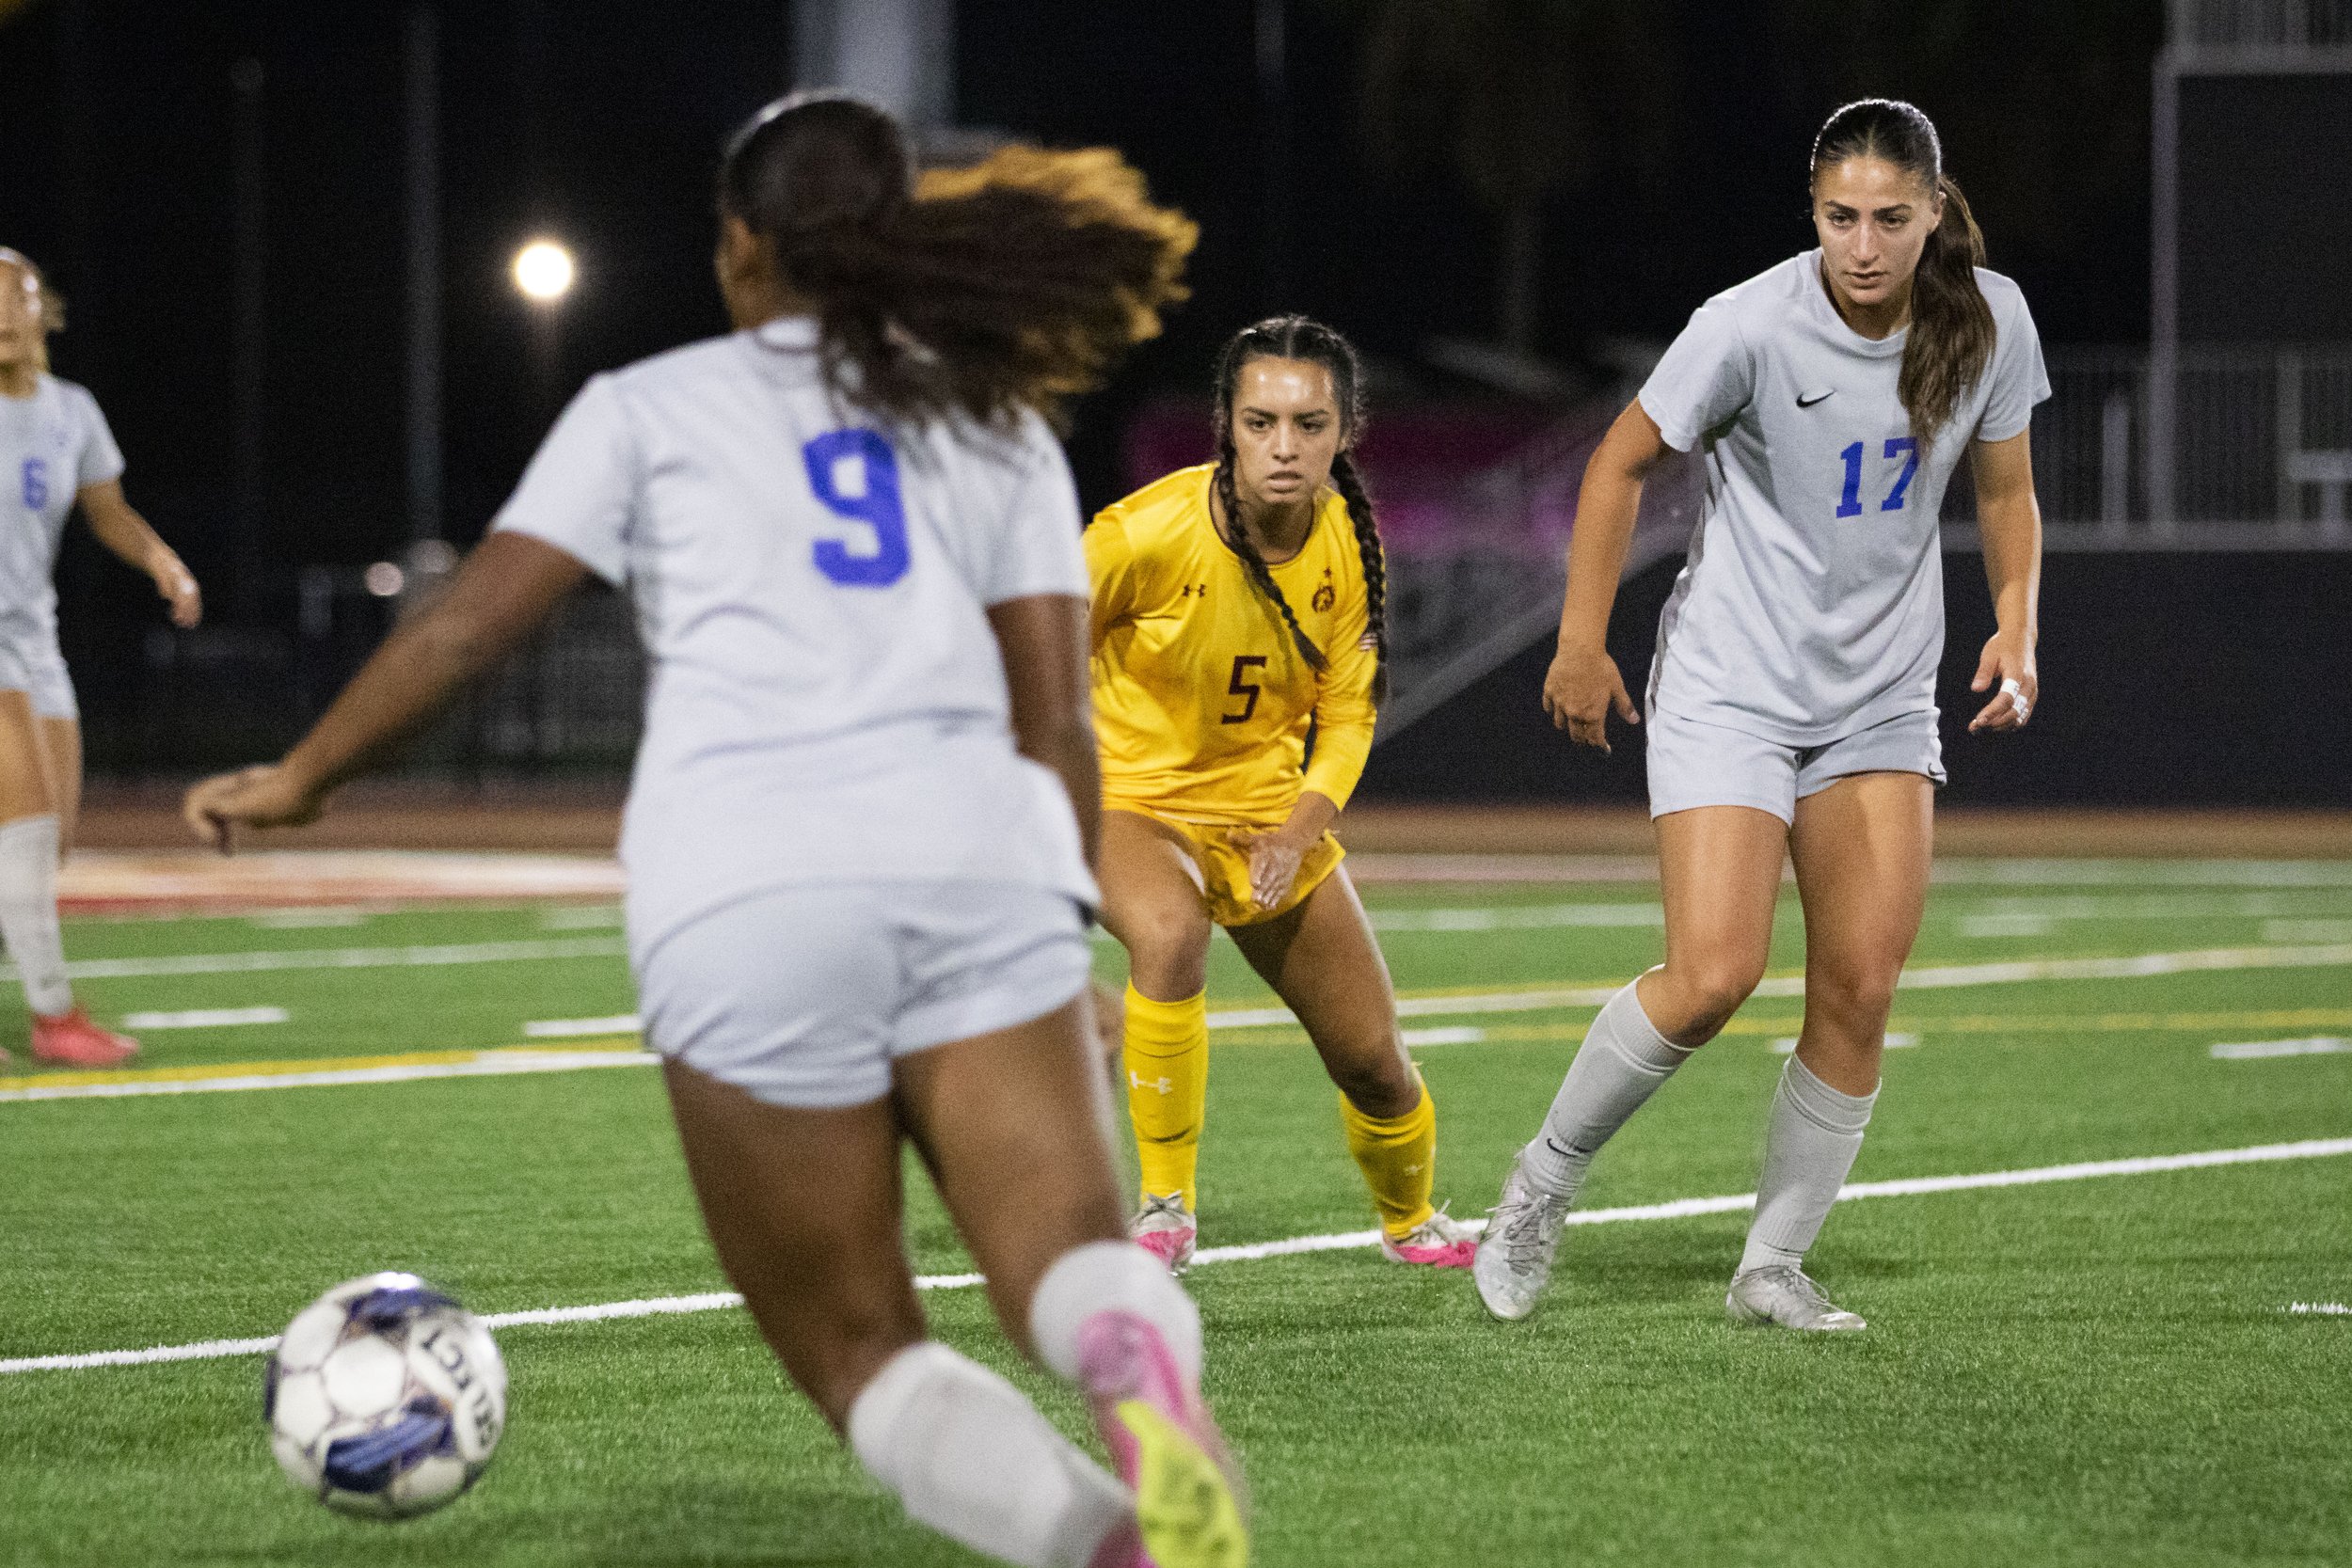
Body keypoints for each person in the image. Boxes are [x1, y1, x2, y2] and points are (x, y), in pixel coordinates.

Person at [186, 94, 1248, 1568]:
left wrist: (301, 774)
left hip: (746, 882)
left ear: (741, 244)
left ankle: (1102, 1546)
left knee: (860, 1345)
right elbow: (1056, 718)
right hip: (976, 850)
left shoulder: (648, 405)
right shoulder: (991, 414)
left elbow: (464, 632)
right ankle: (1138, 1364)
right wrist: (1047, 915)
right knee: (1068, 1257)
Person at [1473, 98, 2046, 1332]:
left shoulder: (1992, 318)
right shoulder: (1743, 326)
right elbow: (1617, 462)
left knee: (1859, 984)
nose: (1863, 244)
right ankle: (1542, 1180)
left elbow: (2007, 487)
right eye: (1840, 217)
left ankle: (1771, 1265)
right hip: (1734, 680)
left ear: (1934, 213)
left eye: (1891, 218)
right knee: (1714, 971)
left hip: (1881, 694)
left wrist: (2015, 620)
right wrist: (1582, 640)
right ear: (1815, 211)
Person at [1089, 315, 1473, 1275]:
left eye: (1308, 424)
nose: (1284, 446)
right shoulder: (1141, 534)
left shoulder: (1349, 545)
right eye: (1261, 421)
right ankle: (1164, 1206)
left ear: (1344, 432)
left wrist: (1297, 830)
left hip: (1264, 814)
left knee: (1374, 1062)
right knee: (1170, 933)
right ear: (1225, 423)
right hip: (1127, 802)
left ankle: (1411, 1218)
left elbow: (1346, 716)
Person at [0, 247, 200, 1068]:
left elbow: (107, 510)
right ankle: (55, 1016)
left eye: (17, 294)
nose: (3, 310)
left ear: (43, 309)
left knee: (45, 845)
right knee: (27, 823)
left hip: (31, 637)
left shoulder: (69, 409)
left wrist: (164, 562)